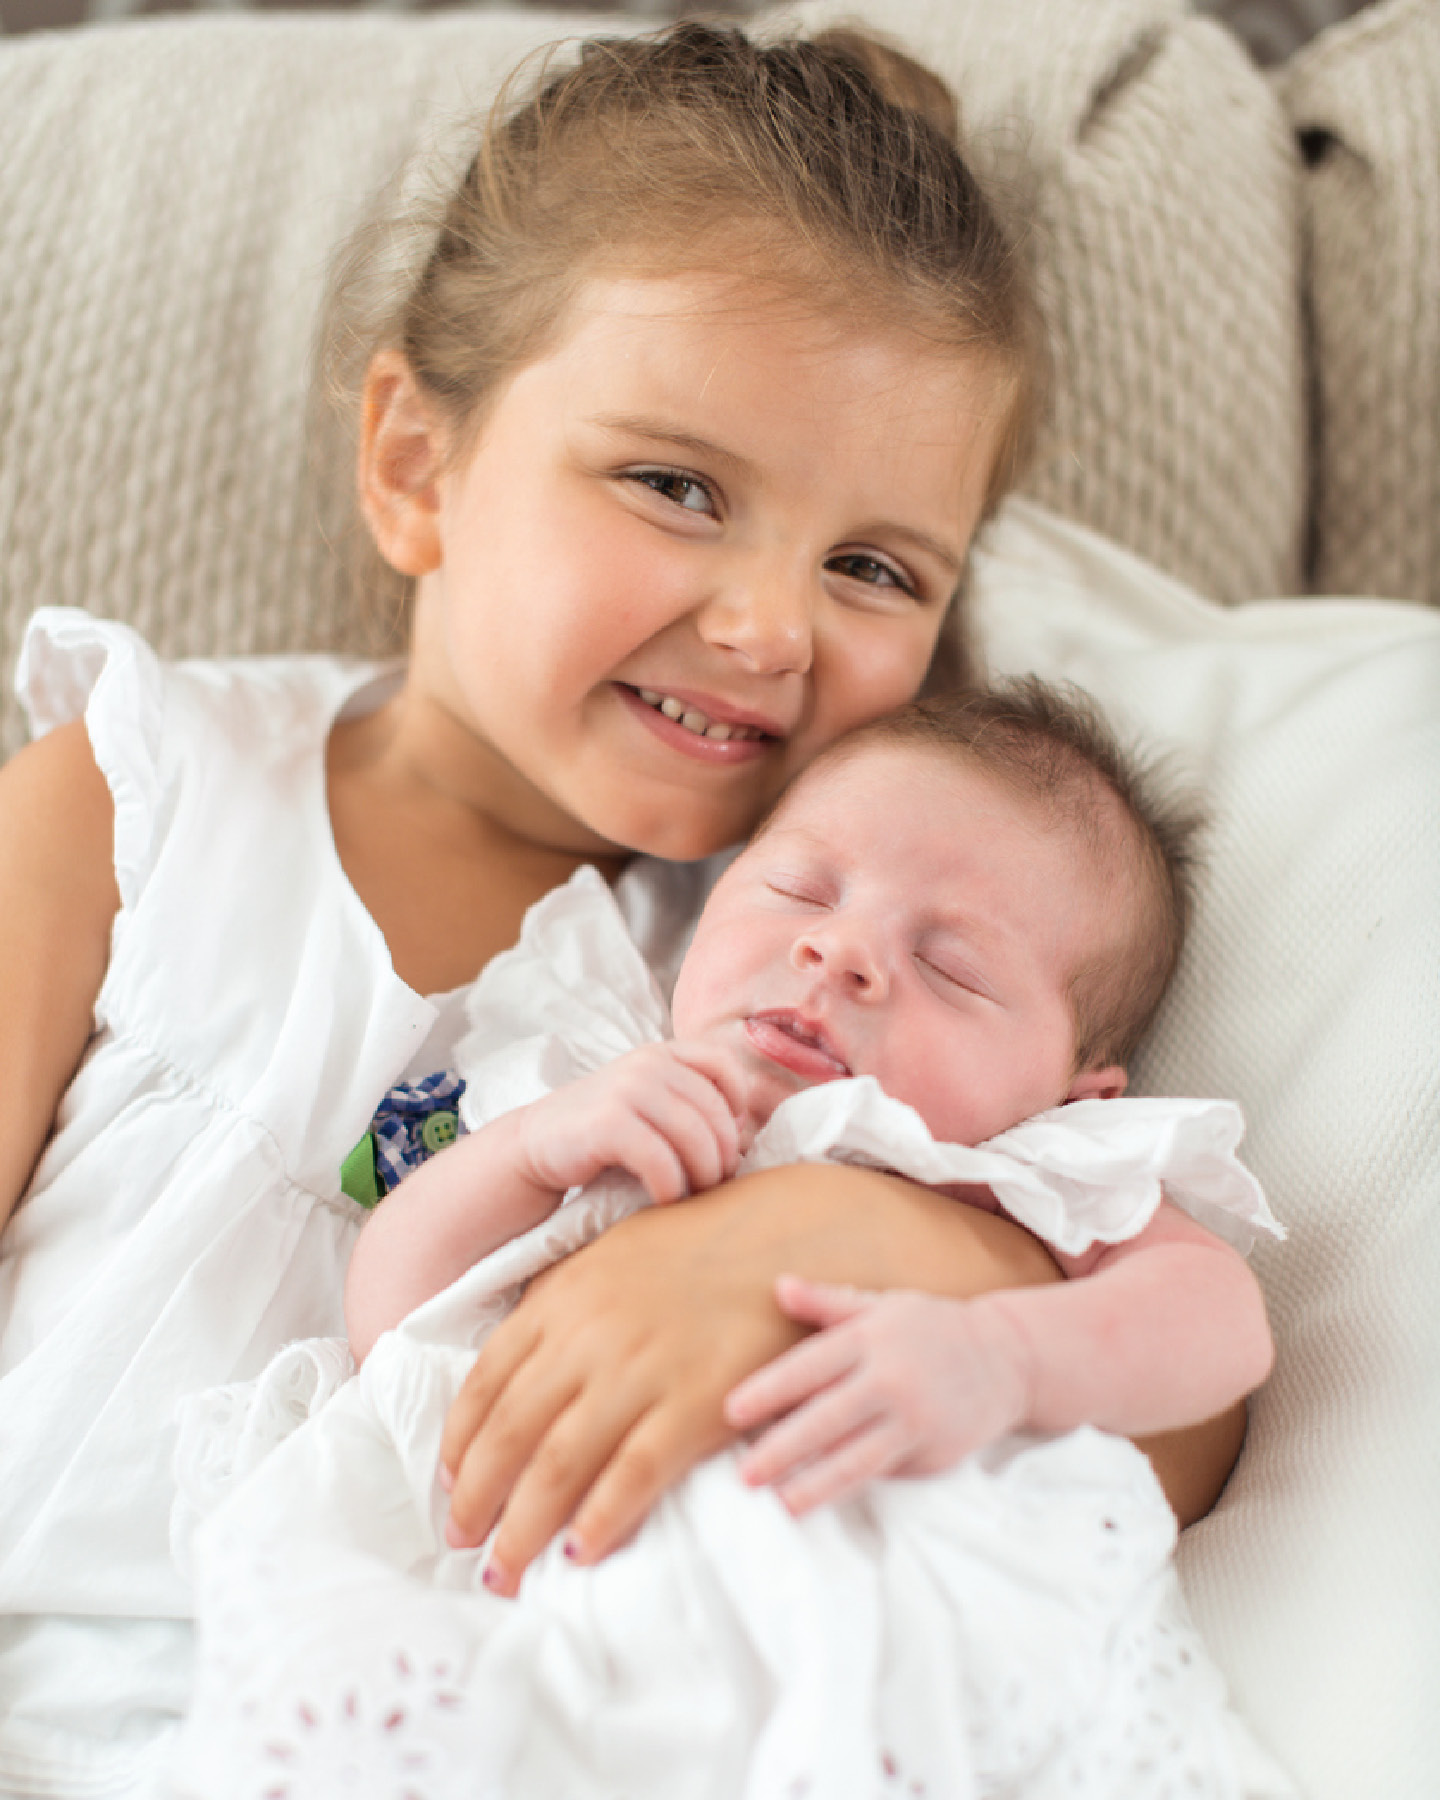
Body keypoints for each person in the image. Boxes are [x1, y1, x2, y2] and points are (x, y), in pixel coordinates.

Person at [0, 21, 1234, 1793]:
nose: (770, 629)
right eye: (677, 487)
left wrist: (816, 1255)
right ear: (417, 463)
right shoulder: (138, 802)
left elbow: (1180, 1433)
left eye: (870, 568)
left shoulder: (812, 964)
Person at [163, 685, 1288, 1798]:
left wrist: (1007, 1358)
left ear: (1072, 1090)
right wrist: (530, 1153)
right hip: (530, 1603)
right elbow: (394, 1327)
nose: (838, 954)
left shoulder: (1029, 1171)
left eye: (953, 968)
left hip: (859, 1641)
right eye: (798, 891)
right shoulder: (603, 1086)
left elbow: (1220, 1320)